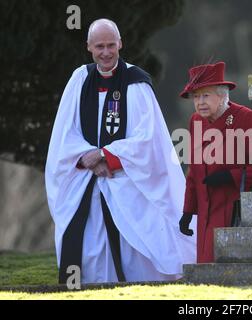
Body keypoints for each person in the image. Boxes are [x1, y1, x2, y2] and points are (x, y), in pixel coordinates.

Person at [45, 18, 196, 284]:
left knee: (136, 244)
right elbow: (64, 135)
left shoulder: (135, 82)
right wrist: (87, 157)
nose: (106, 52)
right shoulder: (80, 80)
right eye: (99, 46)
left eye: (111, 45)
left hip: (125, 178)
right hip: (85, 180)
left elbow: (148, 138)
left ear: (120, 44)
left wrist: (107, 155)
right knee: (89, 247)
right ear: (89, 47)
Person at [178, 61, 252, 263]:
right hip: (206, 211)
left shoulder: (245, 117)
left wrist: (231, 176)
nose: (200, 102)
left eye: (205, 95)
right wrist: (187, 210)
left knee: (228, 267)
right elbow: (193, 172)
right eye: (196, 97)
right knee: (205, 267)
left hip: (236, 207)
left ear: (222, 96)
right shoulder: (196, 121)